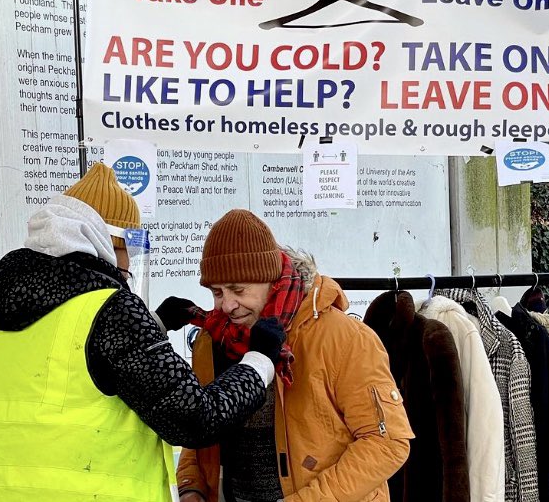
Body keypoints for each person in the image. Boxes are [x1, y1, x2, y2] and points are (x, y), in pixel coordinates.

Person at [0, 164, 285, 501]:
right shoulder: (112, 309)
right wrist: (259, 361)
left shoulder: (16, 305)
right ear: (108, 240)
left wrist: (153, 323)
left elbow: (77, 361)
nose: (125, 265)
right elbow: (195, 418)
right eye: (127, 249)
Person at [177, 209, 413, 502]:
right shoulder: (211, 340)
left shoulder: (344, 338)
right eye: (217, 292)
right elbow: (200, 421)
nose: (227, 305)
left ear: (271, 280)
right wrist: (192, 485)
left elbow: (387, 442)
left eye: (238, 290)